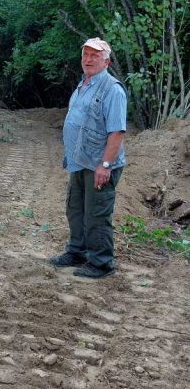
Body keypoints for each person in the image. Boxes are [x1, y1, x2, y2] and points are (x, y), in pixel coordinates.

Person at [50, 37, 126, 279]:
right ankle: (77, 251)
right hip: (79, 161)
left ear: (106, 62)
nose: (89, 59)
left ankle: (101, 263)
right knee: (76, 209)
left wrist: (105, 165)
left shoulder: (112, 89)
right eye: (86, 55)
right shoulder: (84, 83)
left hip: (99, 165)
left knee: (96, 214)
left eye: (95, 56)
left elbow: (116, 132)